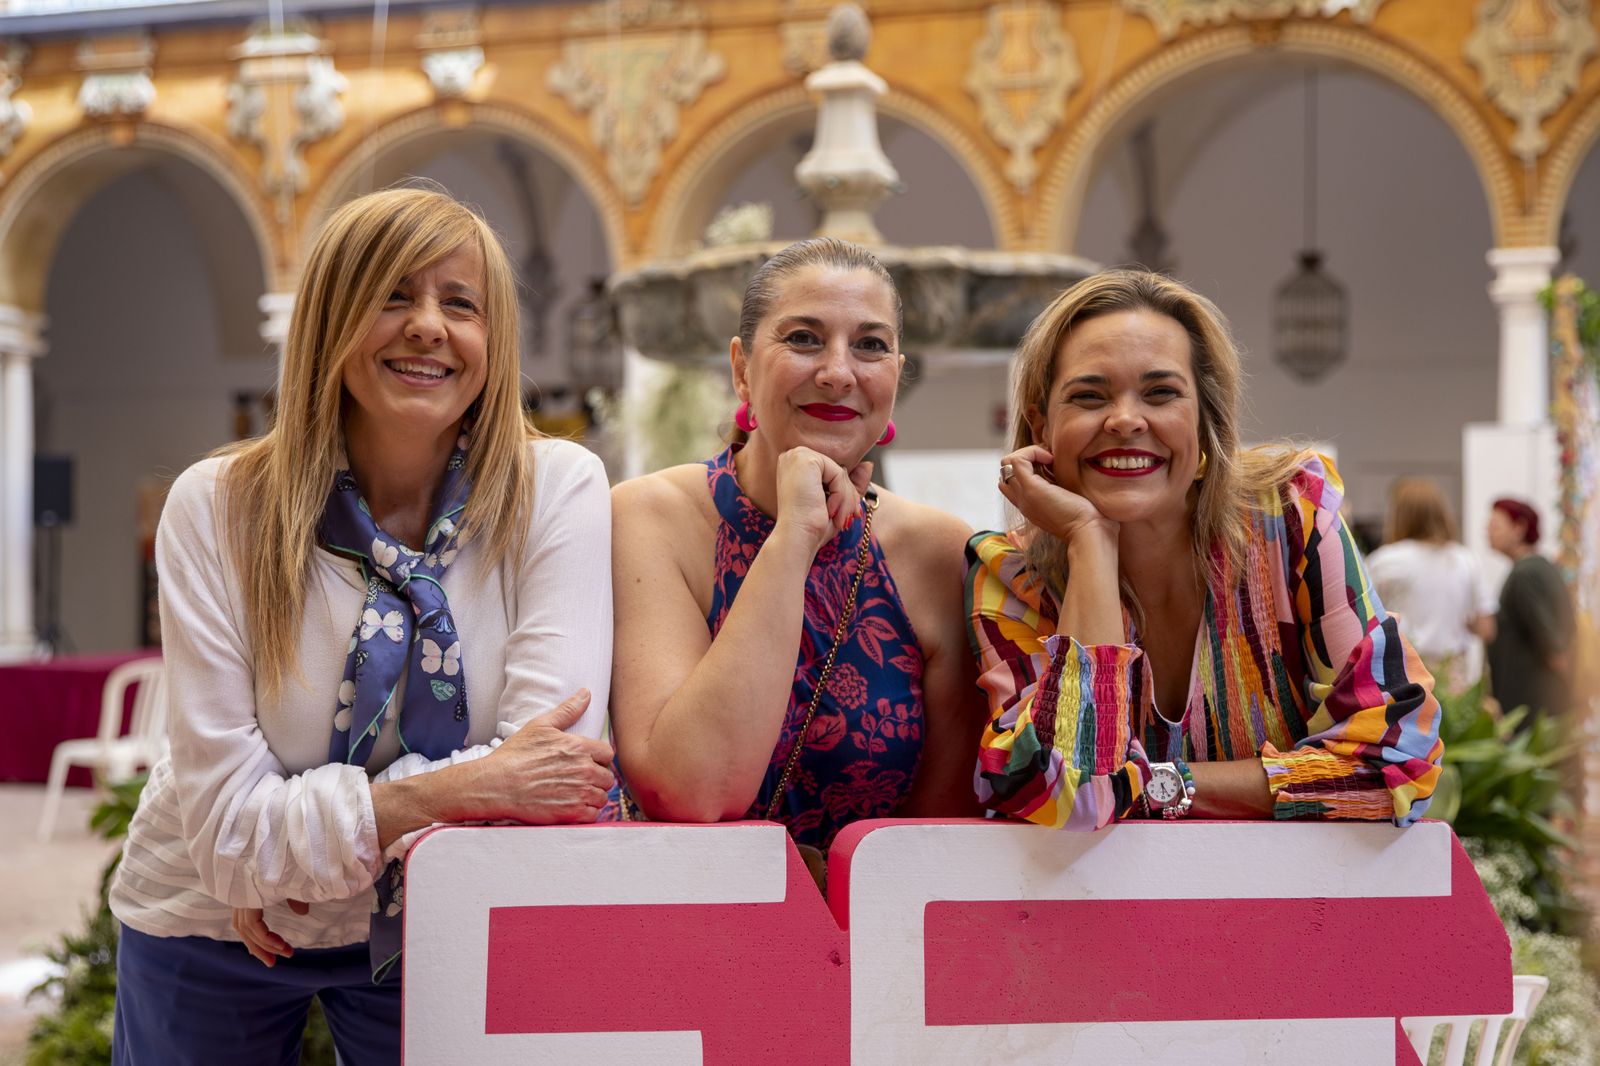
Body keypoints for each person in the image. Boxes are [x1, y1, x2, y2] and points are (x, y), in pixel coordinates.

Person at [108, 187, 615, 1065]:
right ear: (331, 322)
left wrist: (285, 852)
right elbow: (226, 841)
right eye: (393, 295)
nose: (429, 326)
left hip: (438, 911)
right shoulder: (218, 508)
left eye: (460, 303)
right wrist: (457, 789)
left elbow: (552, 784)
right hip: (209, 922)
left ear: (493, 343)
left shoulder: (555, 490)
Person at [970, 269, 1442, 829]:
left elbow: (1400, 763)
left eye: (1161, 393)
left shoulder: (1292, 520)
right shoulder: (1011, 573)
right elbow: (1070, 798)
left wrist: (1166, 784)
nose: (1124, 419)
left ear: (1206, 423)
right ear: (1041, 428)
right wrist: (1089, 541)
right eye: (1089, 396)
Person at [605, 237, 985, 877]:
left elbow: (941, 834)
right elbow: (690, 788)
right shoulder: (650, 518)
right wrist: (795, 538)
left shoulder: (940, 552)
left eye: (870, 345)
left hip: (869, 943)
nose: (839, 371)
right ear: (742, 367)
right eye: (804, 338)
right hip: (677, 927)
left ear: (897, 371)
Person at [1365, 477, 1495, 692]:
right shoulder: (1465, 559)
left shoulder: (1385, 561)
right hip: (1454, 675)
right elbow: (1486, 627)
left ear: (1399, 515)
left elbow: (1364, 620)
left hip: (1402, 673)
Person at [1485, 497, 1574, 719]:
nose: (1487, 531)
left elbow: (1553, 645)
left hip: (1534, 708)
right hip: (1538, 705)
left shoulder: (1526, 574)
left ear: (1519, 528)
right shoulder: (1538, 568)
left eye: (1495, 525)